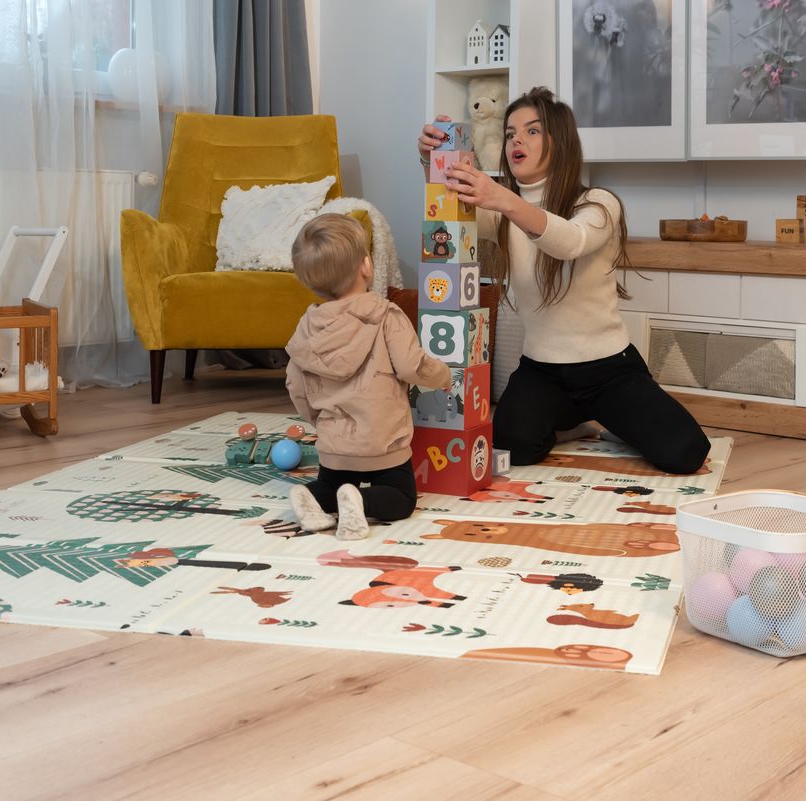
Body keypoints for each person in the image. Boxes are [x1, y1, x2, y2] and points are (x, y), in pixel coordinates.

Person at [417, 86, 710, 474]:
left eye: (532, 131)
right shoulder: (506, 211)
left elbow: (568, 241)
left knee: (685, 452)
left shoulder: (598, 203)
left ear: (561, 143)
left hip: (608, 369)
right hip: (542, 369)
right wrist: (432, 160)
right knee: (512, 445)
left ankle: (610, 418)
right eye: (509, 134)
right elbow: (455, 210)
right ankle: (574, 423)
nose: (516, 140)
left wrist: (504, 199)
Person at [285, 214, 451, 540]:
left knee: (330, 483)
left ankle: (315, 496)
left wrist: (318, 420)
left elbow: (296, 385)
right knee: (401, 498)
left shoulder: (308, 327)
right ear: (366, 266)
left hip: (335, 447)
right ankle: (361, 499)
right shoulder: (386, 314)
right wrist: (443, 374)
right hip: (381, 442)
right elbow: (410, 365)